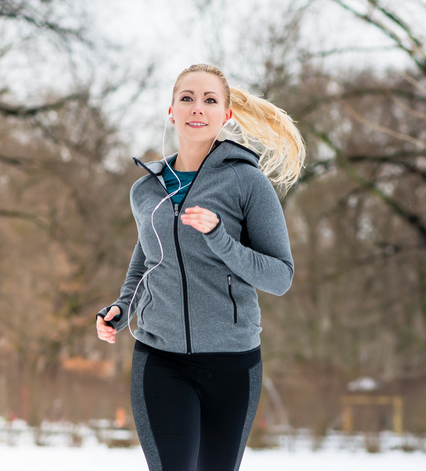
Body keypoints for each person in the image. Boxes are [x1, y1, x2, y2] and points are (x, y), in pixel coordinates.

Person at [95, 63, 304, 471]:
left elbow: (280, 277)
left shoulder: (247, 182)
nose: (197, 108)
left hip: (233, 364)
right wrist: (123, 309)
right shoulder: (146, 189)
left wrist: (220, 238)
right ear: (171, 110)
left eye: (210, 100)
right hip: (161, 358)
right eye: (187, 98)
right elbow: (147, 260)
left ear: (226, 114)